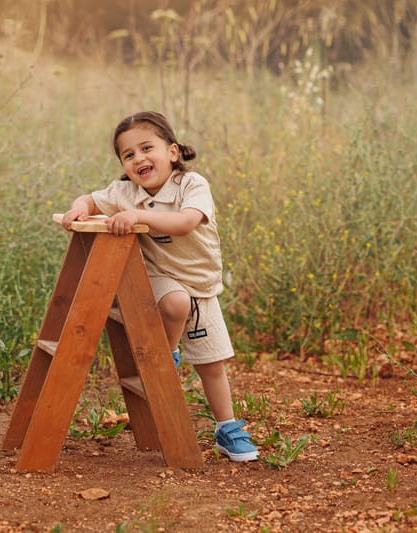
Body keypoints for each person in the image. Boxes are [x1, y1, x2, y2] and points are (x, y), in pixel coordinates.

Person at [61, 111, 257, 462]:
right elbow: (90, 199)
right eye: (128, 154)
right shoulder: (125, 192)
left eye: (147, 147)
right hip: (157, 278)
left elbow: (184, 222)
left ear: (172, 151)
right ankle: (165, 357)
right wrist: (76, 209)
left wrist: (138, 216)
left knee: (212, 365)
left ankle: (227, 428)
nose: (139, 158)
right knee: (175, 302)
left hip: (202, 284)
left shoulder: (192, 185)